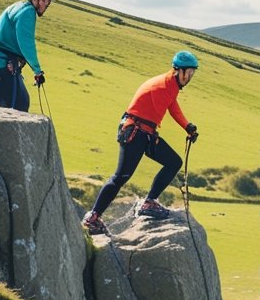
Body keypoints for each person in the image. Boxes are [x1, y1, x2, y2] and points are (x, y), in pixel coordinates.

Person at [81, 51, 199, 234]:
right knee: (121, 176)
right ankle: (93, 217)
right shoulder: (163, 85)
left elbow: (172, 106)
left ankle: (149, 201)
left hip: (144, 132)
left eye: (193, 73)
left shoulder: (170, 84)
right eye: (188, 72)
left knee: (173, 162)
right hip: (135, 132)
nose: (190, 77)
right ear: (177, 70)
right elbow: (160, 109)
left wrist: (187, 126)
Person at [0, 0, 56, 113]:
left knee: (13, 104)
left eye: (48, 1)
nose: (47, 5)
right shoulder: (28, 12)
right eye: (46, 0)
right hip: (1, 67)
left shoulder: (18, 6)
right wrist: (37, 71)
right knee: (18, 105)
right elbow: (26, 43)